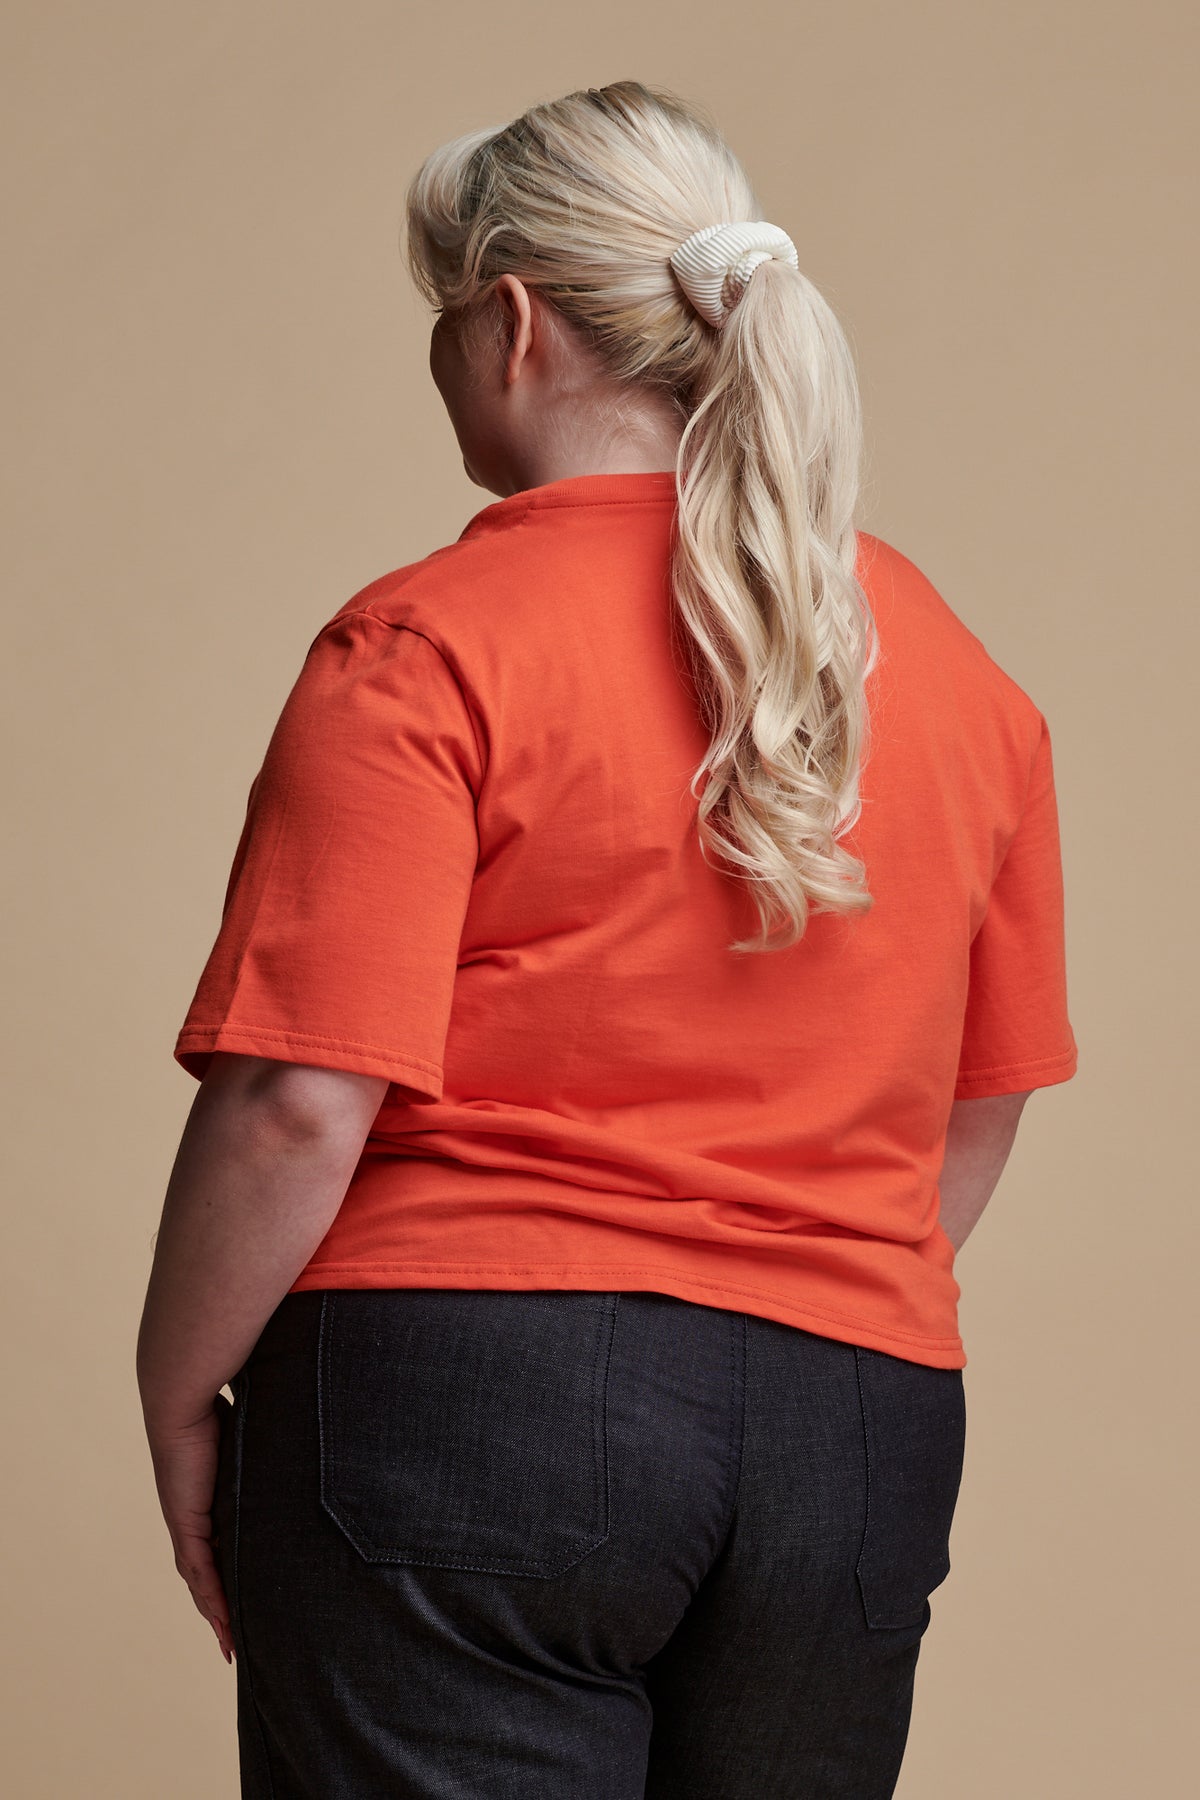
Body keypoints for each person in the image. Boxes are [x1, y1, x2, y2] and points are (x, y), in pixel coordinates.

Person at [136, 79, 1078, 1800]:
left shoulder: (427, 641)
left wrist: (181, 1388)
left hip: (464, 1397)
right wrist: (802, 1303)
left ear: (508, 326)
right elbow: (984, 1105)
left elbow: (297, 1102)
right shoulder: (952, 675)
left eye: (443, 316)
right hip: (853, 1431)